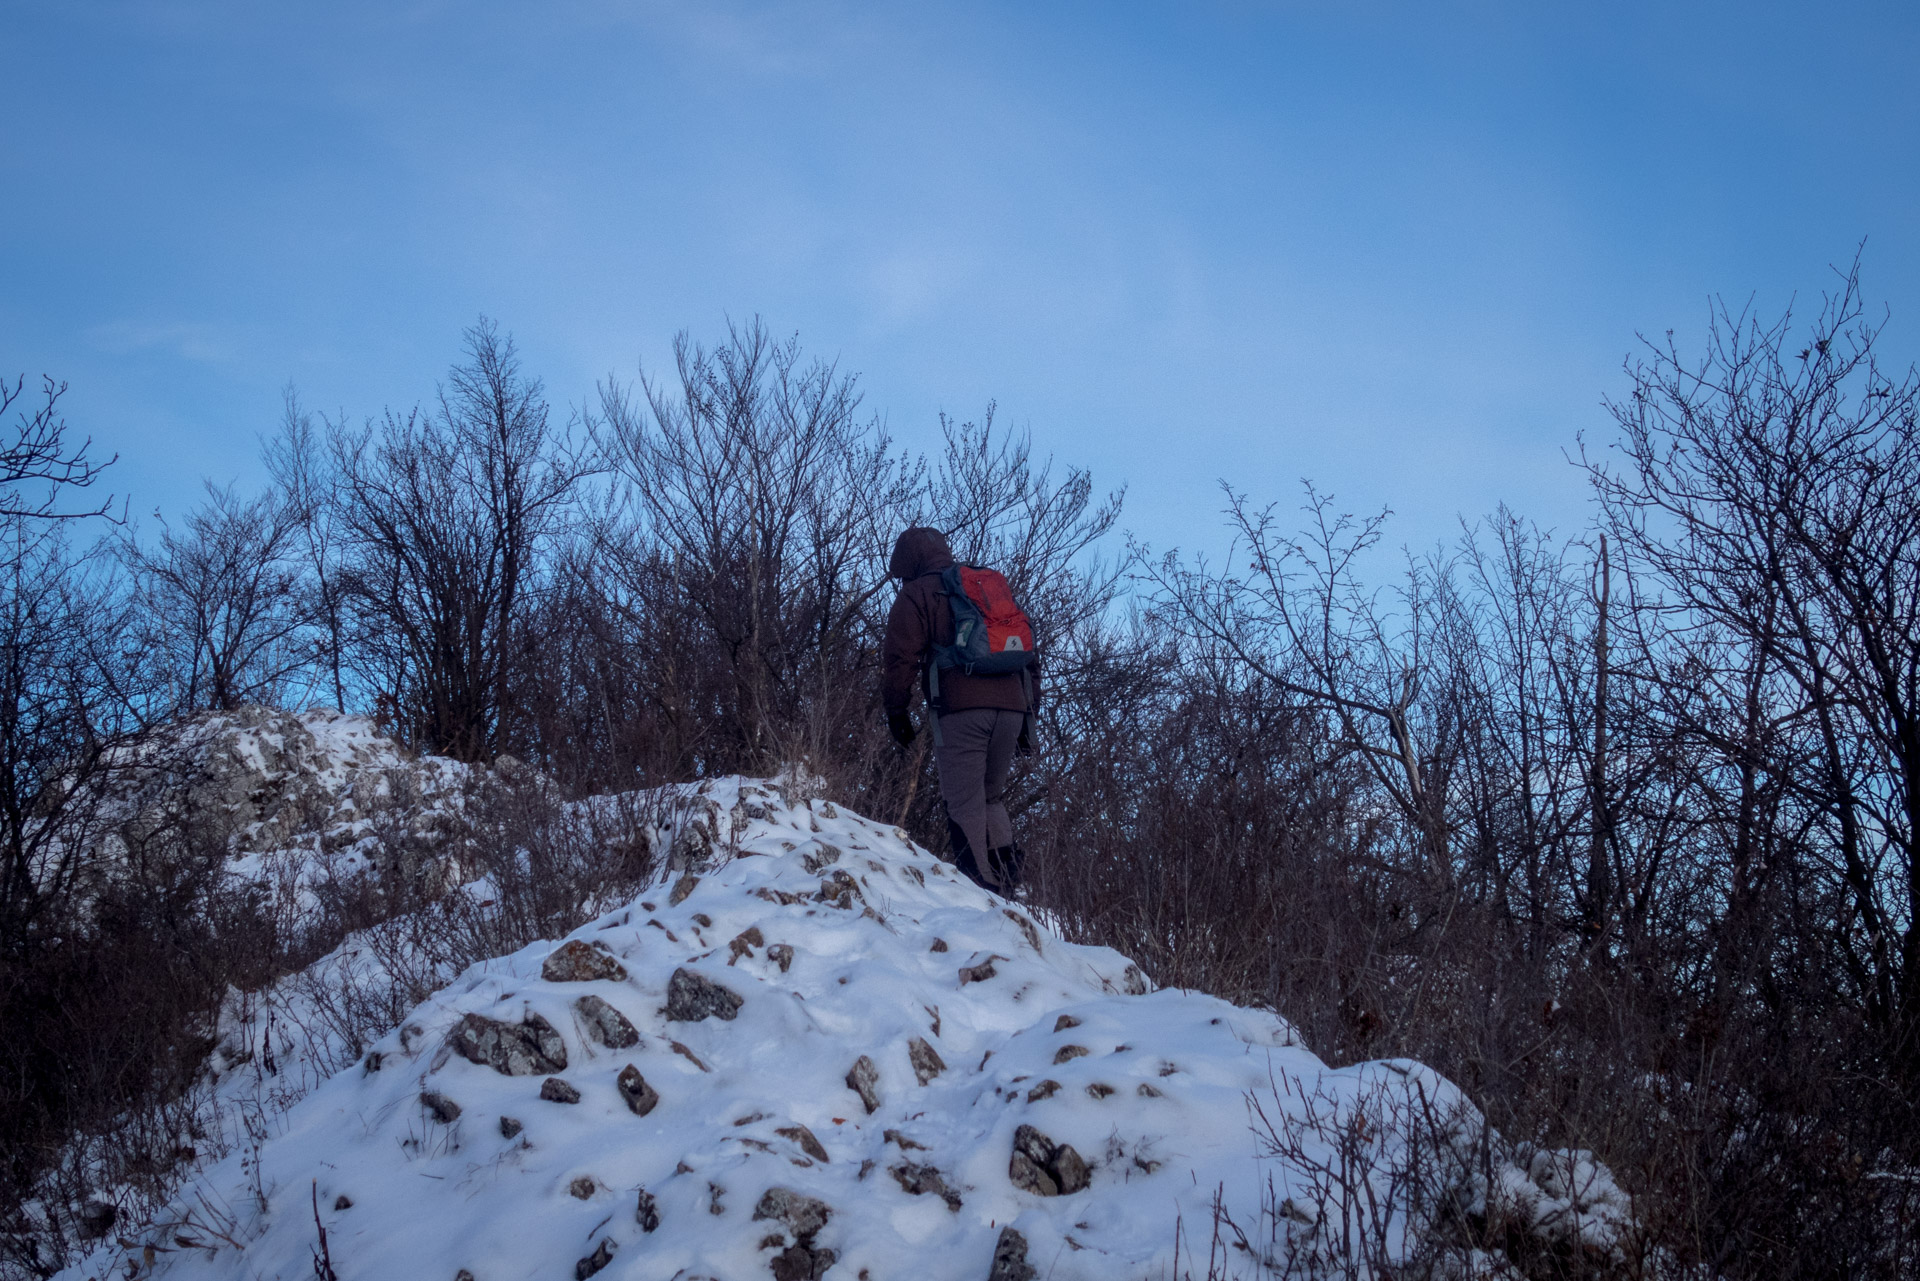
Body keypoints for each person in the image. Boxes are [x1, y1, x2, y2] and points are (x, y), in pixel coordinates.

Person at [882, 526, 1036, 895]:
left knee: (964, 801)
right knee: (990, 796)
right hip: (1012, 708)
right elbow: (1029, 657)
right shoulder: (984, 586)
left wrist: (897, 714)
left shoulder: (917, 593)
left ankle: (982, 890)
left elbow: (900, 659)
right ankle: (1009, 883)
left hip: (961, 709)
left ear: (909, 562)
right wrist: (1028, 721)